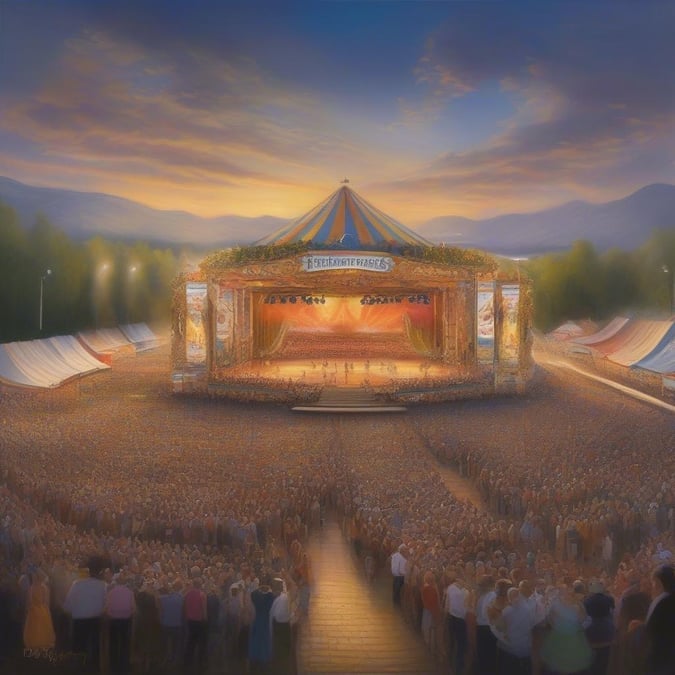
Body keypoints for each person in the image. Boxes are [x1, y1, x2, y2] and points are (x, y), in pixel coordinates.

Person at [540, 583, 592, 675]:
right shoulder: (554, 606)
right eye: (564, 592)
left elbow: (586, 619)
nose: (568, 594)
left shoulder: (578, 604)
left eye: (569, 592)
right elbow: (549, 620)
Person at [63, 561, 107, 671]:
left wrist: (75, 612)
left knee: (78, 648)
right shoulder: (103, 585)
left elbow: (68, 604)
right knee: (95, 648)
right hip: (95, 620)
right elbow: (106, 604)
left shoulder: (76, 584)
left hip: (79, 620)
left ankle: (78, 669)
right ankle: (94, 669)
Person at [644, 564, 675, 675]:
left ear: (659, 583)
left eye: (653, 583)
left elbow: (649, 631)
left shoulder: (660, 601)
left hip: (662, 659)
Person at [105, 572, 135, 675]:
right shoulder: (130, 592)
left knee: (113, 643)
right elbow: (133, 608)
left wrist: (111, 616)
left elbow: (107, 608)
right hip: (126, 621)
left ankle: (113, 666)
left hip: (113, 620)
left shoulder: (111, 593)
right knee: (125, 644)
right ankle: (124, 666)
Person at [583, 579, 615, 675]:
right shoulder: (609, 598)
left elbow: (585, 616)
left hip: (591, 632)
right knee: (605, 663)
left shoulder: (587, 601)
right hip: (607, 631)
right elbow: (612, 612)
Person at [23, 570, 56, 651]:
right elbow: (46, 601)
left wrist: (29, 608)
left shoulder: (32, 588)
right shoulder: (44, 587)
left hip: (34, 609)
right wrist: (46, 609)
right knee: (43, 626)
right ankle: (43, 641)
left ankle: (34, 642)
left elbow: (30, 601)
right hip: (43, 609)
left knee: (34, 627)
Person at [248, 577, 275, 673]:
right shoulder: (271, 596)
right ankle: (264, 662)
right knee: (264, 640)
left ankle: (254, 660)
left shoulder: (255, 595)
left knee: (256, 640)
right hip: (266, 620)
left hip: (257, 619)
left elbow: (253, 595)